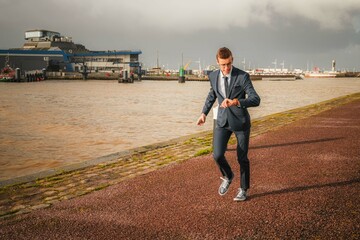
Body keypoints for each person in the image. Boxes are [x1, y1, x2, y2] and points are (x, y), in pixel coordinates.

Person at [197, 47, 260, 201]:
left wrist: (236, 101)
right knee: (217, 155)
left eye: (228, 64)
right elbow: (212, 94)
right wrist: (203, 113)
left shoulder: (242, 76)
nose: (226, 68)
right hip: (222, 121)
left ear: (232, 60)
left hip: (240, 123)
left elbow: (256, 99)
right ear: (217, 62)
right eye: (223, 65)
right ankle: (228, 175)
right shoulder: (212, 76)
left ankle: (243, 189)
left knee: (242, 158)